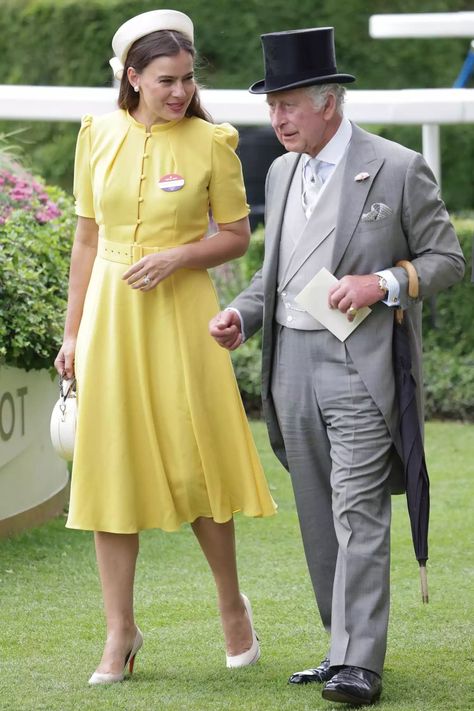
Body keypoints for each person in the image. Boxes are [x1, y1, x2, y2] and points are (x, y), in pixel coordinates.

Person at [210, 26, 465, 706]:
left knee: (359, 507)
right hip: (288, 363)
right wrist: (242, 314)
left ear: (330, 101)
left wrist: (382, 282)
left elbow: (447, 260)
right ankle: (338, 646)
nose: (277, 119)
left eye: (289, 103)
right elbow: (276, 274)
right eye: (272, 106)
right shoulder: (279, 169)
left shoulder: (398, 166)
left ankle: (361, 660)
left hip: (361, 364)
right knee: (318, 509)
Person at [54, 9, 276, 685]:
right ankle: (120, 632)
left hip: (185, 315)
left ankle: (231, 606)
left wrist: (179, 257)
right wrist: (71, 333)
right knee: (109, 470)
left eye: (186, 78)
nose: (179, 91)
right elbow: (88, 240)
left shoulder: (214, 141)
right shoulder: (97, 135)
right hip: (111, 320)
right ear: (132, 77)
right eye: (165, 80)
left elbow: (237, 234)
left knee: (198, 462)